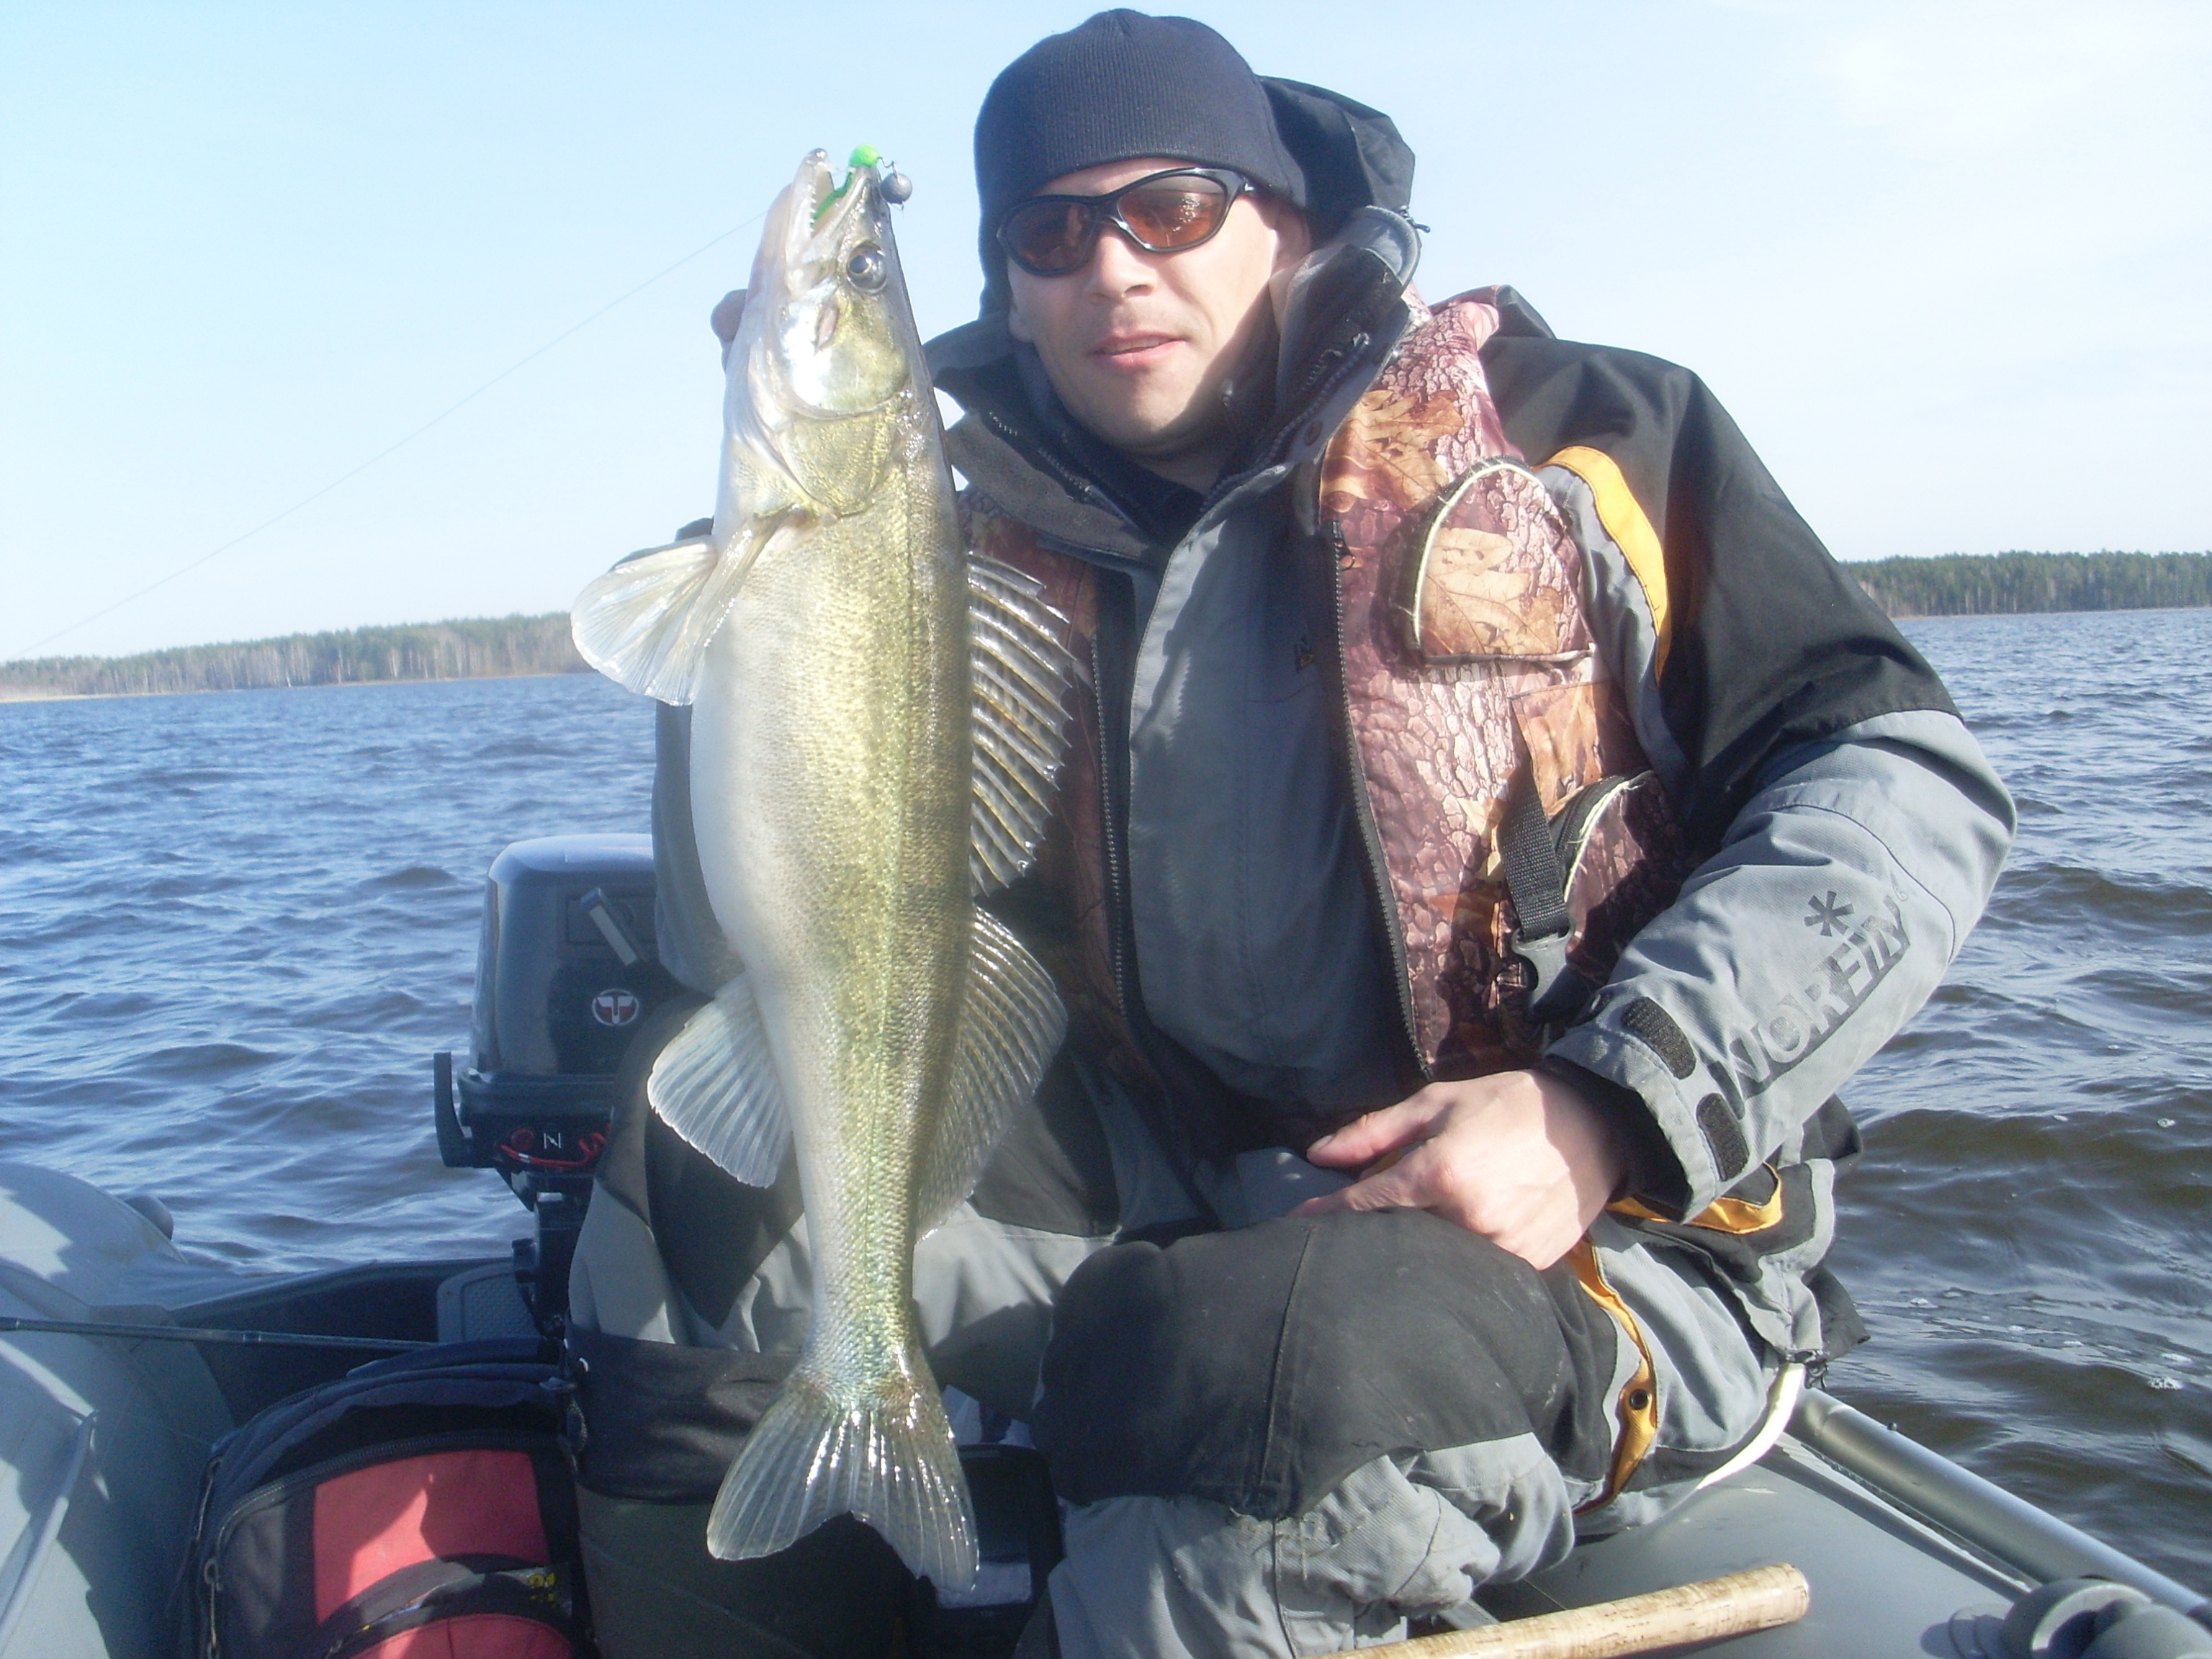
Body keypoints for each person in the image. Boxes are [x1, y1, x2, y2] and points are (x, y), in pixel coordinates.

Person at [564, 11, 2015, 1656]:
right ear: (1010, 290)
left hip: (1591, 1228)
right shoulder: (965, 569)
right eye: (1050, 233)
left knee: (1259, 1389)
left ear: (1292, 223)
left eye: (1171, 208)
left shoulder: (1594, 432)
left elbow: (1902, 787)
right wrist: (751, 623)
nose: (1115, 268)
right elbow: (770, 928)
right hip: (1177, 1190)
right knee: (691, 1185)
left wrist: (1608, 1103)